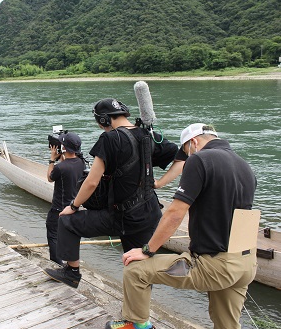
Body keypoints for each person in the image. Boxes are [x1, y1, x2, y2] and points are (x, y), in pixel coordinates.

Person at [106, 123, 257, 329]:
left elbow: (175, 213)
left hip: (214, 266)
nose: (187, 157)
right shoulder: (244, 166)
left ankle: (137, 326)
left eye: (185, 152)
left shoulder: (199, 159)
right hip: (246, 264)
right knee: (227, 325)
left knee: (136, 269)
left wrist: (148, 250)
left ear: (193, 143)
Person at [44, 98, 178, 288]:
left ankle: (72, 272)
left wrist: (73, 206)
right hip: (148, 214)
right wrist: (160, 183)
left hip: (121, 215)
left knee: (66, 221)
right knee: (138, 270)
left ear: (105, 120)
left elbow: (91, 181)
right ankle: (138, 316)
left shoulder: (110, 138)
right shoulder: (148, 135)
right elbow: (182, 156)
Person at [46, 132, 85, 265]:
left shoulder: (60, 167)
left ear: (64, 147)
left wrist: (52, 159)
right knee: (69, 237)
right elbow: (68, 166)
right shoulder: (81, 163)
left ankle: (57, 263)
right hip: (73, 207)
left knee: (53, 234)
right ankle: (70, 264)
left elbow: (50, 177)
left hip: (58, 209)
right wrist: (62, 156)